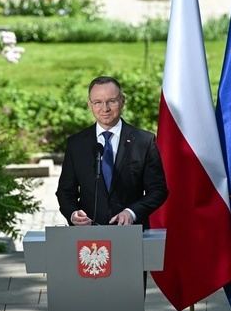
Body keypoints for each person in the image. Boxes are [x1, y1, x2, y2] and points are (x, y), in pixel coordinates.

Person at [56, 76, 168, 228]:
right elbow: (65, 192)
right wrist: (73, 214)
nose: (105, 108)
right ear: (90, 104)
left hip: (130, 231)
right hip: (89, 237)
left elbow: (158, 190)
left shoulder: (144, 141)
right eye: (98, 102)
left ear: (122, 101)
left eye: (111, 101)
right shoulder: (76, 143)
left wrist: (131, 212)